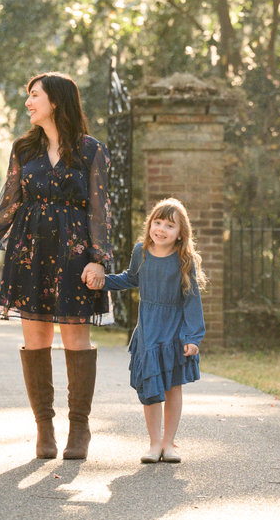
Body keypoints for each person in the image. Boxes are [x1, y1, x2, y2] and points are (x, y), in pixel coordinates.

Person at [0, 71, 113, 460]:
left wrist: (100, 260)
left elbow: (100, 211)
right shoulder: (24, 149)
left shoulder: (91, 150)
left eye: (34, 95)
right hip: (30, 252)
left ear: (56, 101)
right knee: (36, 340)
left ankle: (80, 428)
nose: (28, 102)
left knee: (76, 340)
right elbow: (9, 202)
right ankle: (44, 429)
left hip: (75, 254)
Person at [86, 197, 205, 463]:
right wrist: (103, 281)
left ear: (180, 234)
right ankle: (153, 444)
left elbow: (191, 299)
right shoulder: (141, 252)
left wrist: (193, 337)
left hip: (174, 333)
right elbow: (129, 278)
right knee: (150, 388)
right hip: (149, 331)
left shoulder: (183, 260)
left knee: (173, 388)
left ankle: (169, 444)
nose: (161, 229)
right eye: (157, 222)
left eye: (169, 226)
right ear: (150, 223)